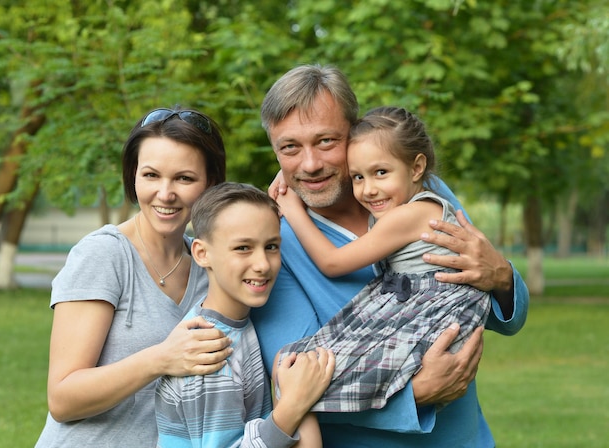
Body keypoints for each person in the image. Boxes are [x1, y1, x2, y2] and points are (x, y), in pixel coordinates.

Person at [250, 64, 529, 447]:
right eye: (290, 148)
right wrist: (414, 395)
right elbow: (298, 383)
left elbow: (499, 317)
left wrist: (502, 277)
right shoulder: (273, 245)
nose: (310, 164)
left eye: (326, 141)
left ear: (354, 133)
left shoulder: (421, 192)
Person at [35, 107, 233, 447]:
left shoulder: (209, 267)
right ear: (133, 176)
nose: (165, 193)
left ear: (211, 183)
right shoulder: (104, 255)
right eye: (151, 175)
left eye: (184, 178)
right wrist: (161, 359)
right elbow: (62, 399)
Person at [275, 106, 491, 413]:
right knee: (303, 372)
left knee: (309, 382)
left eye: (381, 173)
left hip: (430, 315)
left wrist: (292, 206)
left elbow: (332, 263)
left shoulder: (411, 214)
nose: (368, 189)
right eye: (358, 177)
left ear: (417, 168)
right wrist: (294, 172)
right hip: (420, 306)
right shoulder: (414, 203)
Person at [155, 182, 335, 448]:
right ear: (202, 254)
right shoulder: (209, 356)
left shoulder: (233, 324)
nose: (262, 264)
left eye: (271, 246)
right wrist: (294, 404)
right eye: (243, 248)